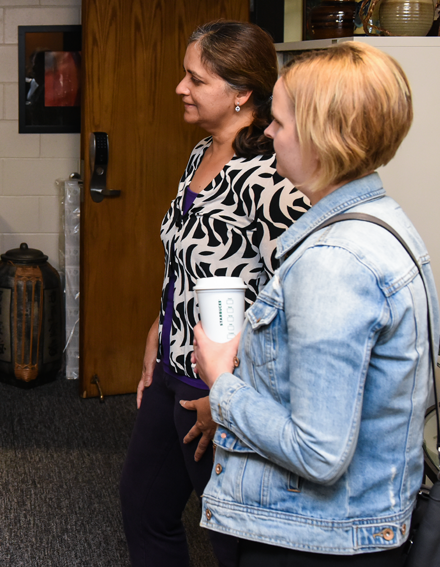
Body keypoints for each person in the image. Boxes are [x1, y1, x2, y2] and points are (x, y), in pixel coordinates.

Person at [192, 42, 438, 566]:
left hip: (317, 542)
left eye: (278, 122)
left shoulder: (334, 262)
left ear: (321, 139)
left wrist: (221, 382)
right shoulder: (386, 222)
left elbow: (318, 452)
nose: (270, 133)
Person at [119, 21, 309, 567]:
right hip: (172, 372)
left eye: (195, 79)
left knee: (235, 543)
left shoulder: (270, 176)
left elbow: (290, 303)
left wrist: (227, 395)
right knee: (144, 507)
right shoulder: (202, 152)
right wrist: (159, 328)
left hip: (219, 392)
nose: (181, 87)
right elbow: (186, 260)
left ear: (242, 94)